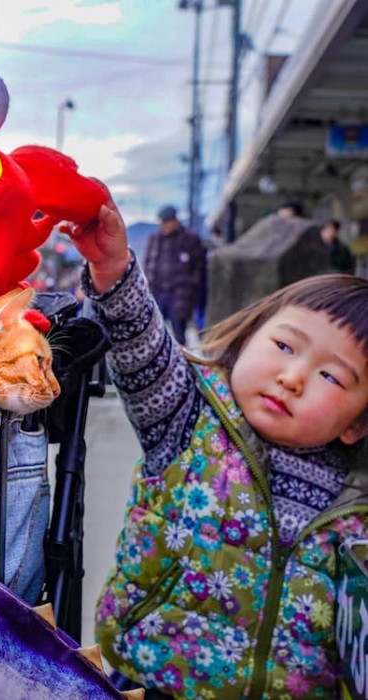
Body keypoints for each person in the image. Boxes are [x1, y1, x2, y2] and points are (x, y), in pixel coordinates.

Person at [65, 194, 368, 699]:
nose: (292, 378)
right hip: (155, 680)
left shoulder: (358, 498)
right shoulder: (189, 416)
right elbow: (142, 344)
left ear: (357, 425)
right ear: (248, 338)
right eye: (284, 346)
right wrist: (113, 266)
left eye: (331, 377)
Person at [143, 205, 205, 345]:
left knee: (179, 333)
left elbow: (198, 268)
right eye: (162, 222)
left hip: (179, 294)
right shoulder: (155, 239)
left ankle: (181, 363)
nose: (164, 225)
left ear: (174, 221)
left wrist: (191, 288)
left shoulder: (189, 239)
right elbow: (148, 263)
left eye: (166, 221)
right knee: (153, 331)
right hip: (158, 291)